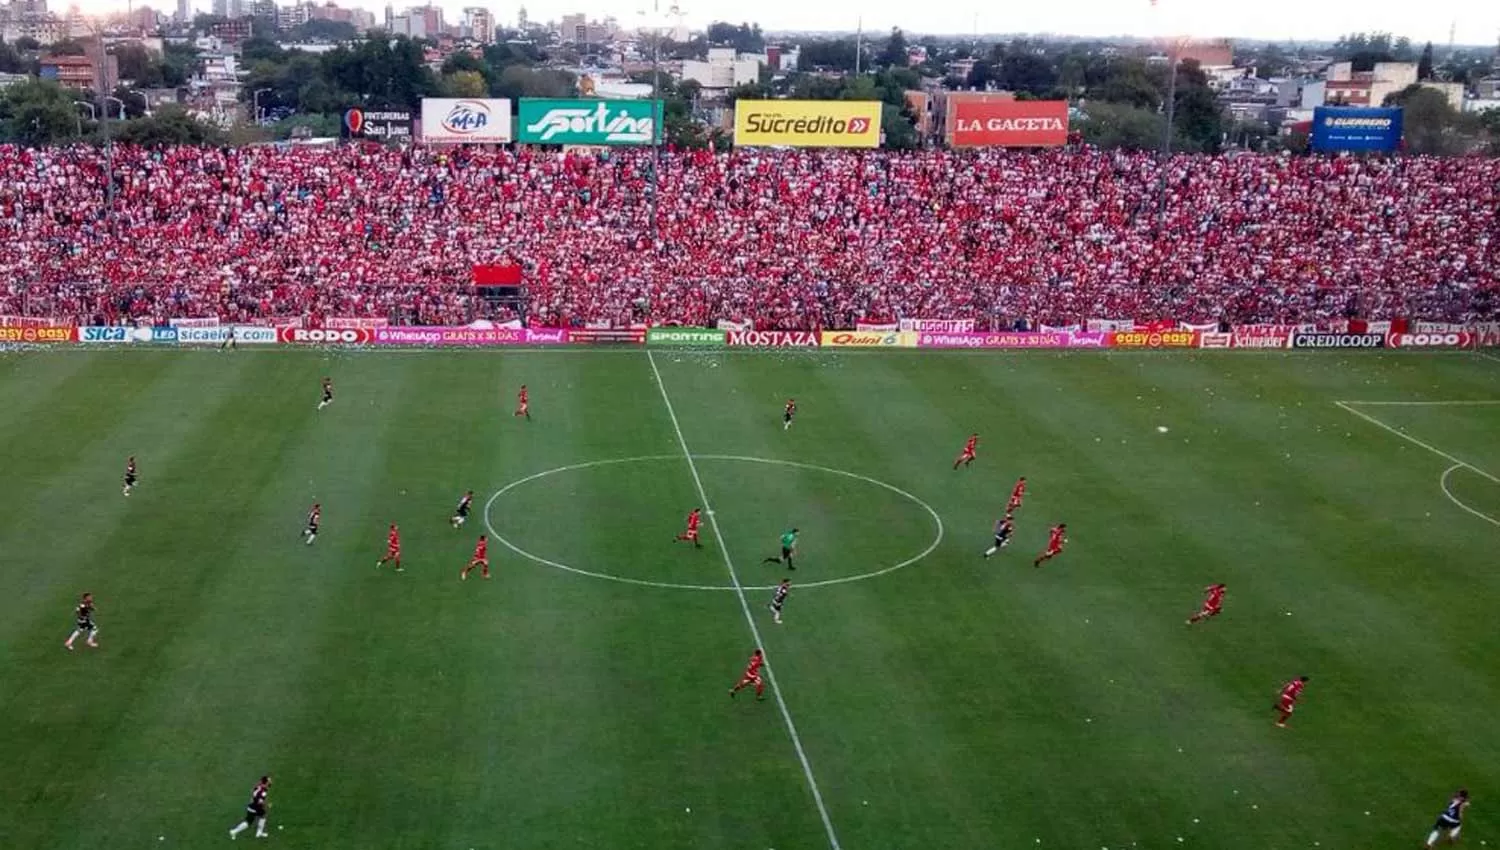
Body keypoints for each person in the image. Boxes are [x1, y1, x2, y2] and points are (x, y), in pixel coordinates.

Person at [228, 775, 271, 840]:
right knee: (248, 822)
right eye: (269, 780)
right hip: (255, 807)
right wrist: (267, 805)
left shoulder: (258, 786)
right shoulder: (263, 792)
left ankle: (259, 832)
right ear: (266, 782)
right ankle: (234, 831)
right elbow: (260, 802)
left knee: (263, 815)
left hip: (253, 805)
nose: (270, 781)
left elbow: (254, 792)